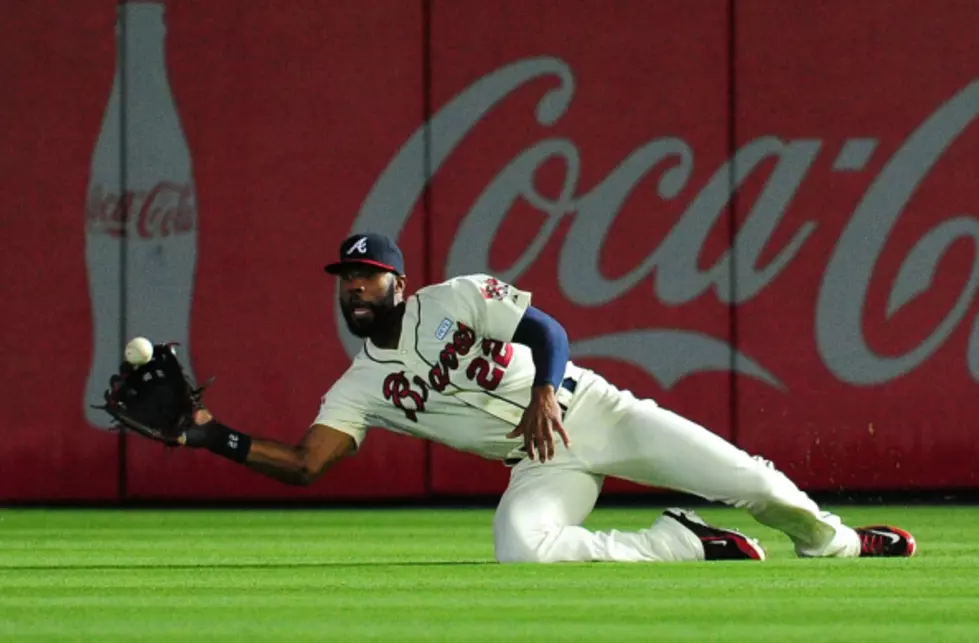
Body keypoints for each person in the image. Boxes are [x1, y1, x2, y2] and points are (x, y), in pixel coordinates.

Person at [178, 232, 916, 563]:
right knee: (520, 551)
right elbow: (308, 463)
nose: (355, 286)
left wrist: (546, 392)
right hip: (538, 461)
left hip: (592, 408)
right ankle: (682, 541)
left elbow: (545, 328)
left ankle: (841, 542)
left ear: (398, 281)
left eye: (367, 274)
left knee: (751, 481)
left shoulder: (456, 295)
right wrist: (214, 436)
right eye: (346, 277)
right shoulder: (358, 385)